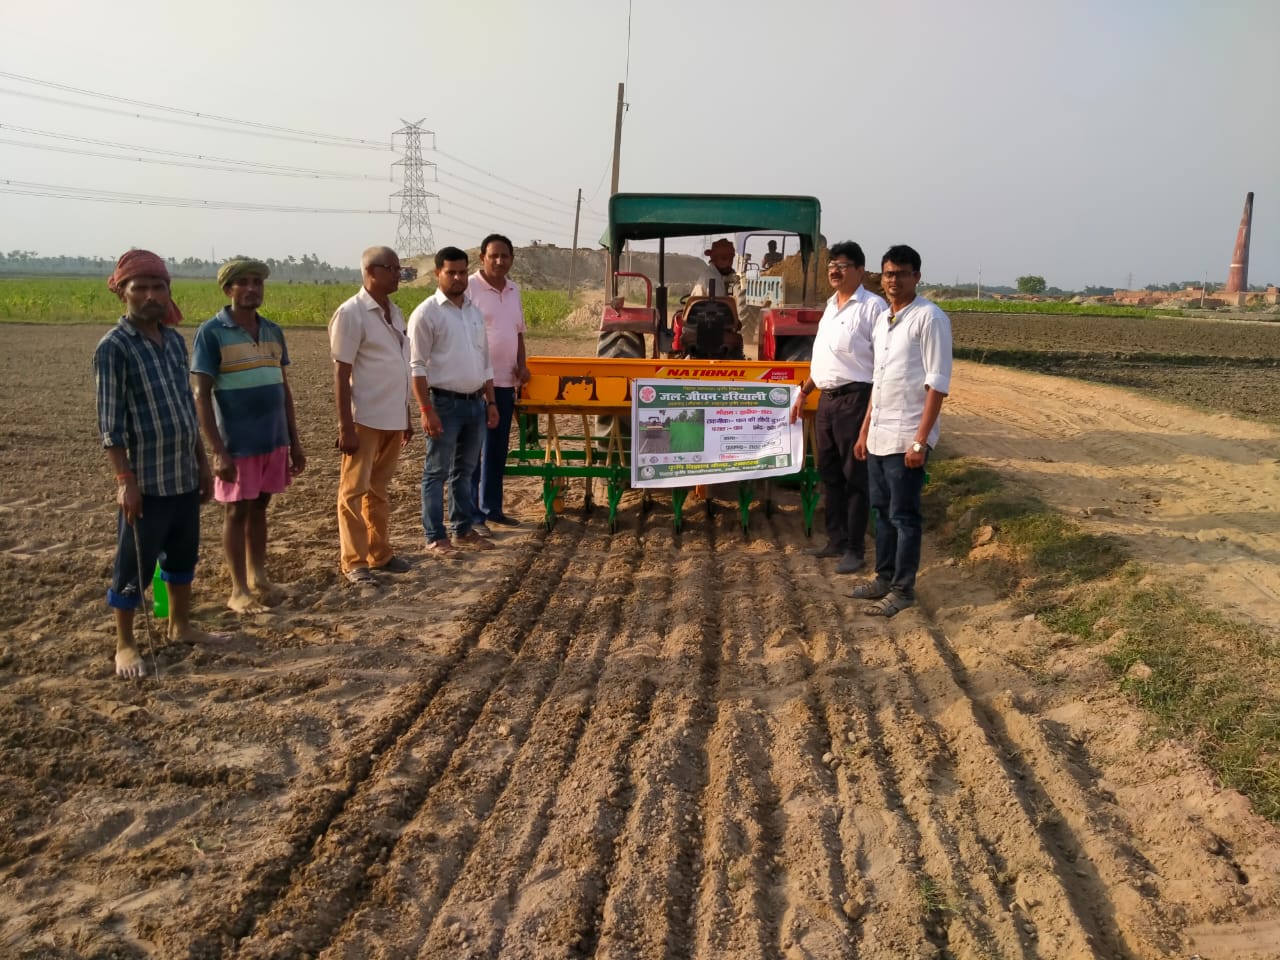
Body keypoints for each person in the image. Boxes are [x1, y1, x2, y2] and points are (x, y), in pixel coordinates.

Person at [94, 249, 227, 679]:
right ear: (123, 293)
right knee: (133, 562)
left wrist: (202, 464)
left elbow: (187, 410)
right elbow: (110, 424)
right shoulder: (114, 347)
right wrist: (124, 479)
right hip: (146, 480)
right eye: (141, 288)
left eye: (158, 287)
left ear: (168, 291)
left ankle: (180, 625)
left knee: (183, 555)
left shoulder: (173, 342)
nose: (150, 295)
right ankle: (125, 644)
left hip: (183, 474)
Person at [192, 259, 306, 613]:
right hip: (237, 443)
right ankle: (238, 589)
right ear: (229, 289)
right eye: (244, 282)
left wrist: (294, 441)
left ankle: (258, 576)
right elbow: (201, 396)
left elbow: (283, 389)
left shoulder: (272, 331)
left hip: (272, 438)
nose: (252, 288)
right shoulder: (212, 332)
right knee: (236, 511)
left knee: (260, 507)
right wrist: (218, 450)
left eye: (257, 282)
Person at [852, 244, 953, 617]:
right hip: (879, 435)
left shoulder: (930, 318)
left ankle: (902, 589)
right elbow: (878, 382)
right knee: (881, 511)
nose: (894, 280)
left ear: (917, 277)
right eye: (888, 274)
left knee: (904, 516)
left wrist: (920, 441)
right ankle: (884, 577)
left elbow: (937, 384)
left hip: (907, 436)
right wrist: (864, 431)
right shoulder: (883, 320)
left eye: (902, 274)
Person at [789, 242, 886, 575]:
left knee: (854, 476)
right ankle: (836, 540)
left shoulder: (873, 308)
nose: (835, 270)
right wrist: (804, 393)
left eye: (842, 265)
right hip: (827, 402)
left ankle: (856, 549)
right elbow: (823, 362)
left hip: (856, 401)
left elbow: (882, 364)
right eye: (831, 264)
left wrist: (872, 412)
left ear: (859, 270)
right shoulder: (830, 307)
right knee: (829, 475)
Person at [329, 246, 415, 585]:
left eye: (399, 269)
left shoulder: (395, 312)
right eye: (391, 269)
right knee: (353, 492)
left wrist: (405, 415)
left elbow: (401, 367)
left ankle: (380, 553)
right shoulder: (352, 313)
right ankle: (354, 561)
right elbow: (341, 372)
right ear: (370, 271)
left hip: (392, 415)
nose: (398, 275)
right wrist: (345, 426)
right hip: (364, 418)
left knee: (378, 489)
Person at [408, 246, 500, 557]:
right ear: (438, 273)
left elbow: (485, 363)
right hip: (443, 405)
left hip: (475, 403)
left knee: (465, 470)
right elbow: (417, 367)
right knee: (436, 471)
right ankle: (435, 536)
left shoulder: (473, 312)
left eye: (462, 272)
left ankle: (463, 528)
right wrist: (426, 410)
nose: (458, 278)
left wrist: (490, 402)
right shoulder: (426, 313)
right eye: (451, 273)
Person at [467, 233, 530, 535]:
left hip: (506, 382)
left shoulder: (514, 290)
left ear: (512, 259)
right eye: (494, 256)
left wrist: (522, 365)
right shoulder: (469, 287)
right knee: (474, 450)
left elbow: (518, 333)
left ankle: (492, 509)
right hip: (476, 382)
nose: (499, 261)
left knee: (496, 450)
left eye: (505, 256)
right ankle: (473, 516)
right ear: (483, 258)